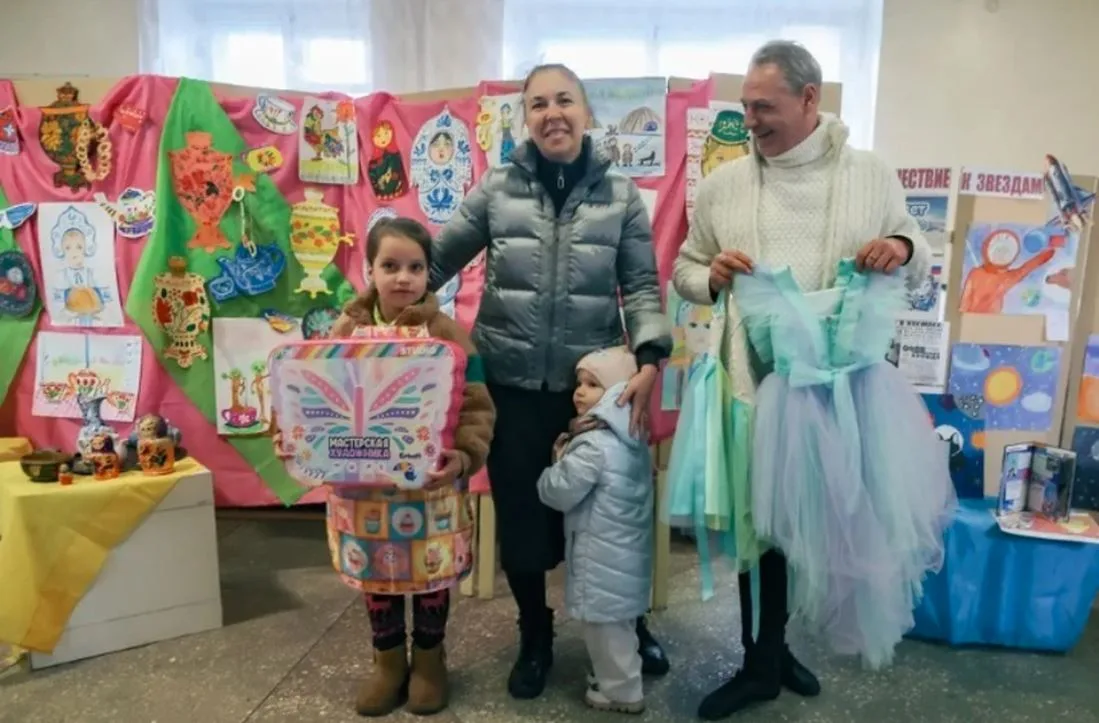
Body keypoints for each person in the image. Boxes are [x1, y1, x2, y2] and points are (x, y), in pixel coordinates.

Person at [673, 40, 935, 720]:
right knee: (758, 527)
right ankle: (758, 662)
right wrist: (711, 277)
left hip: (842, 390)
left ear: (809, 98)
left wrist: (899, 247)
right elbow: (685, 268)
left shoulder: (869, 174)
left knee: (811, 526)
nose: (749, 121)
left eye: (764, 107)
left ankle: (776, 648)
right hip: (749, 385)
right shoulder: (723, 185)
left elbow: (917, 253)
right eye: (745, 106)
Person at [428, 63, 673, 700]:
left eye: (564, 100)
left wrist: (650, 358)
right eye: (538, 104)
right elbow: (434, 261)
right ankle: (534, 632)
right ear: (525, 118)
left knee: (611, 518)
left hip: (591, 390)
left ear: (587, 113)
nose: (552, 113)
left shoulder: (620, 195)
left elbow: (641, 285)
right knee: (523, 517)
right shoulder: (496, 188)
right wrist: (380, 299)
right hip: (509, 387)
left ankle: (628, 624)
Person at [275, 217, 496, 717]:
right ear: (369, 269)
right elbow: (309, 395)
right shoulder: (345, 330)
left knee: (431, 573)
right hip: (362, 491)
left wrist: (465, 455)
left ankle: (430, 660)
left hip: (430, 488)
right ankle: (388, 661)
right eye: (390, 265)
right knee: (377, 575)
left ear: (428, 273)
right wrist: (293, 434)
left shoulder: (447, 333)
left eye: (415, 267)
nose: (403, 277)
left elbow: (477, 404)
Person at [537, 346, 654, 714]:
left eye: (592, 385)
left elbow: (559, 492)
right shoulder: (633, 435)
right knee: (620, 627)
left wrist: (554, 464)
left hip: (600, 558)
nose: (579, 392)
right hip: (626, 554)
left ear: (619, 392)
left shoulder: (592, 445)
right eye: (579, 383)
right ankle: (618, 677)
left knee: (604, 629)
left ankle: (622, 692)